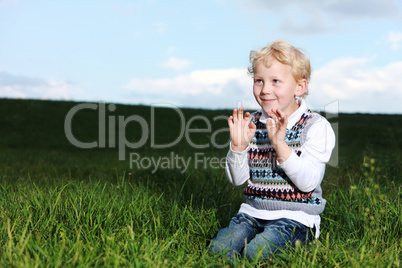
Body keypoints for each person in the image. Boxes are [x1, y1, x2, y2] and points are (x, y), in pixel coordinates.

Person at [209, 40, 336, 260]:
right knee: (218, 251)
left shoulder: (315, 126)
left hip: (296, 217)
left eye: (275, 81)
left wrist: (280, 145)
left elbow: (308, 183)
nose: (265, 89)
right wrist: (238, 147)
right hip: (253, 212)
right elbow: (237, 179)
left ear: (300, 87)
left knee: (255, 254)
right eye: (259, 80)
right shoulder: (253, 123)